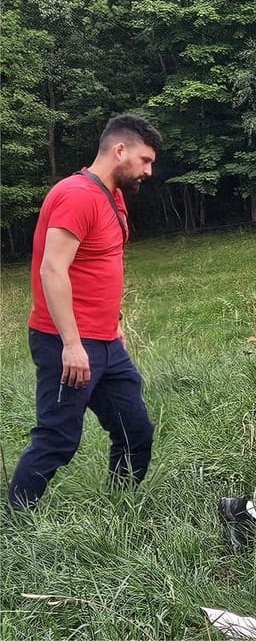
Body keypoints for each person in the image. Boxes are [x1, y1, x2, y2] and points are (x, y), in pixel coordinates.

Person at [8, 114, 163, 510]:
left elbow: (99, 266)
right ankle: (15, 519)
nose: (149, 170)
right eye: (145, 160)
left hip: (106, 341)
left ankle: (119, 509)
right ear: (120, 150)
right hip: (68, 341)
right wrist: (72, 344)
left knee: (134, 429)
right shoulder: (76, 194)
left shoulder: (111, 195)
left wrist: (115, 324)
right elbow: (52, 268)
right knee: (58, 437)